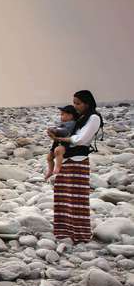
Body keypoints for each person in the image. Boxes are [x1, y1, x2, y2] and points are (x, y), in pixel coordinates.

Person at [47, 90, 104, 244]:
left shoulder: (93, 117)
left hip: (78, 161)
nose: (76, 106)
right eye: (74, 103)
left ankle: (80, 234)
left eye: (78, 103)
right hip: (66, 161)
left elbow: (81, 139)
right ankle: (63, 231)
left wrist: (58, 138)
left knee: (77, 199)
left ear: (87, 103)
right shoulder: (81, 118)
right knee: (63, 196)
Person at [44, 105, 79, 180]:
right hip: (58, 141)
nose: (61, 116)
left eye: (62, 114)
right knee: (49, 157)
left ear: (70, 115)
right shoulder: (64, 123)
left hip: (66, 143)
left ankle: (58, 168)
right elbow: (59, 129)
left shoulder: (71, 123)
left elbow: (65, 132)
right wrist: (53, 131)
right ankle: (50, 171)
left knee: (58, 151)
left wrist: (55, 131)